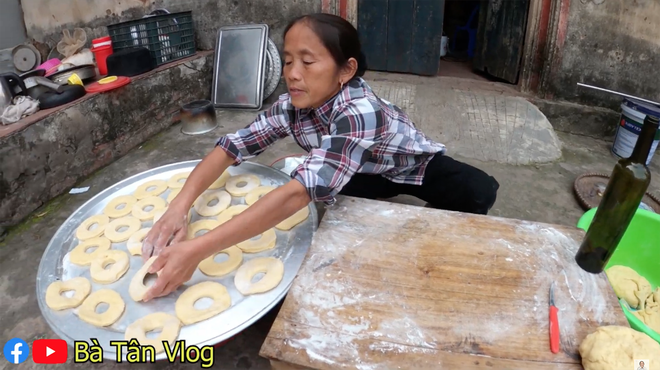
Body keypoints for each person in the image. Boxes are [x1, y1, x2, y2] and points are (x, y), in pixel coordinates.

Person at [139, 13, 499, 301]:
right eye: (288, 61)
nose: (293, 74)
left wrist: (197, 250)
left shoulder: (360, 111)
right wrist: (179, 207)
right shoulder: (290, 107)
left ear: (346, 70)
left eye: (308, 62)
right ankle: (319, 168)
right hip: (355, 172)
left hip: (407, 168)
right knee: (346, 220)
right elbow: (231, 148)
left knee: (479, 190)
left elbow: (297, 194)